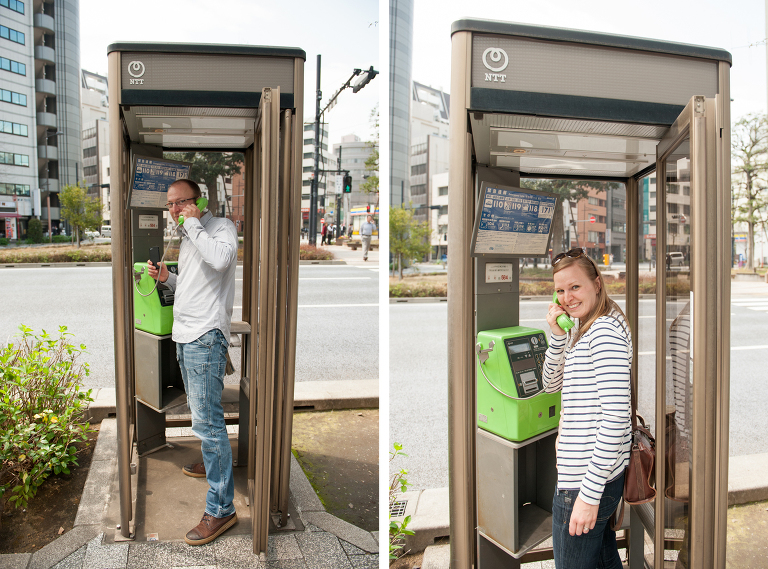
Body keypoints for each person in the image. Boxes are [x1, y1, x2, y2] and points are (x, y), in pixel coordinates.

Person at [147, 179, 239, 546]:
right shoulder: (191, 235)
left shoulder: (219, 228)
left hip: (204, 337)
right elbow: (195, 284)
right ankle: (211, 462)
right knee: (203, 420)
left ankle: (221, 509)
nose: (173, 211)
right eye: (170, 205)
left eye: (179, 203)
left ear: (196, 201)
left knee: (209, 423)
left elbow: (220, 260)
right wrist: (168, 278)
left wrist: (193, 223)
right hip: (184, 336)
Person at [542, 247, 632, 569]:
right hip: (595, 475)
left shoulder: (603, 333)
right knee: (604, 561)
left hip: (585, 480)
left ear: (597, 283)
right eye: (561, 291)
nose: (567, 297)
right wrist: (557, 335)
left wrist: (588, 496)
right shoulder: (581, 329)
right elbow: (550, 385)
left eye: (575, 287)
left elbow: (616, 418)